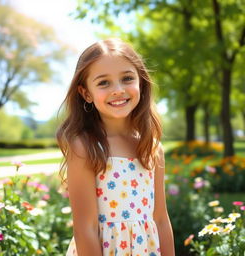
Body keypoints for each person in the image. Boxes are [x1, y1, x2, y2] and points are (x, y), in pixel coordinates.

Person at [56, 38, 175, 256]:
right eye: (103, 83)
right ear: (86, 93)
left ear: (140, 82)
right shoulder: (85, 147)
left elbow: (160, 219)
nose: (118, 90)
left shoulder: (152, 149)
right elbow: (86, 228)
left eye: (127, 78)